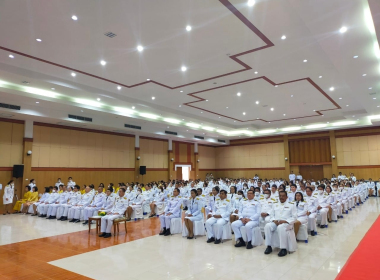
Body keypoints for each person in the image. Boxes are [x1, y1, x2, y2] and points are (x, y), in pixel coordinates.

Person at [264, 191, 297, 257]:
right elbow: (272, 215)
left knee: (280, 227)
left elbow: (294, 217)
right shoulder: (275, 204)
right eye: (280, 196)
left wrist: (285, 221)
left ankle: (283, 248)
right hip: (276, 222)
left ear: (286, 197)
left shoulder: (291, 205)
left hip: (287, 223)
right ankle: (269, 246)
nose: (281, 197)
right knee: (267, 226)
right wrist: (274, 220)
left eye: (283, 196)